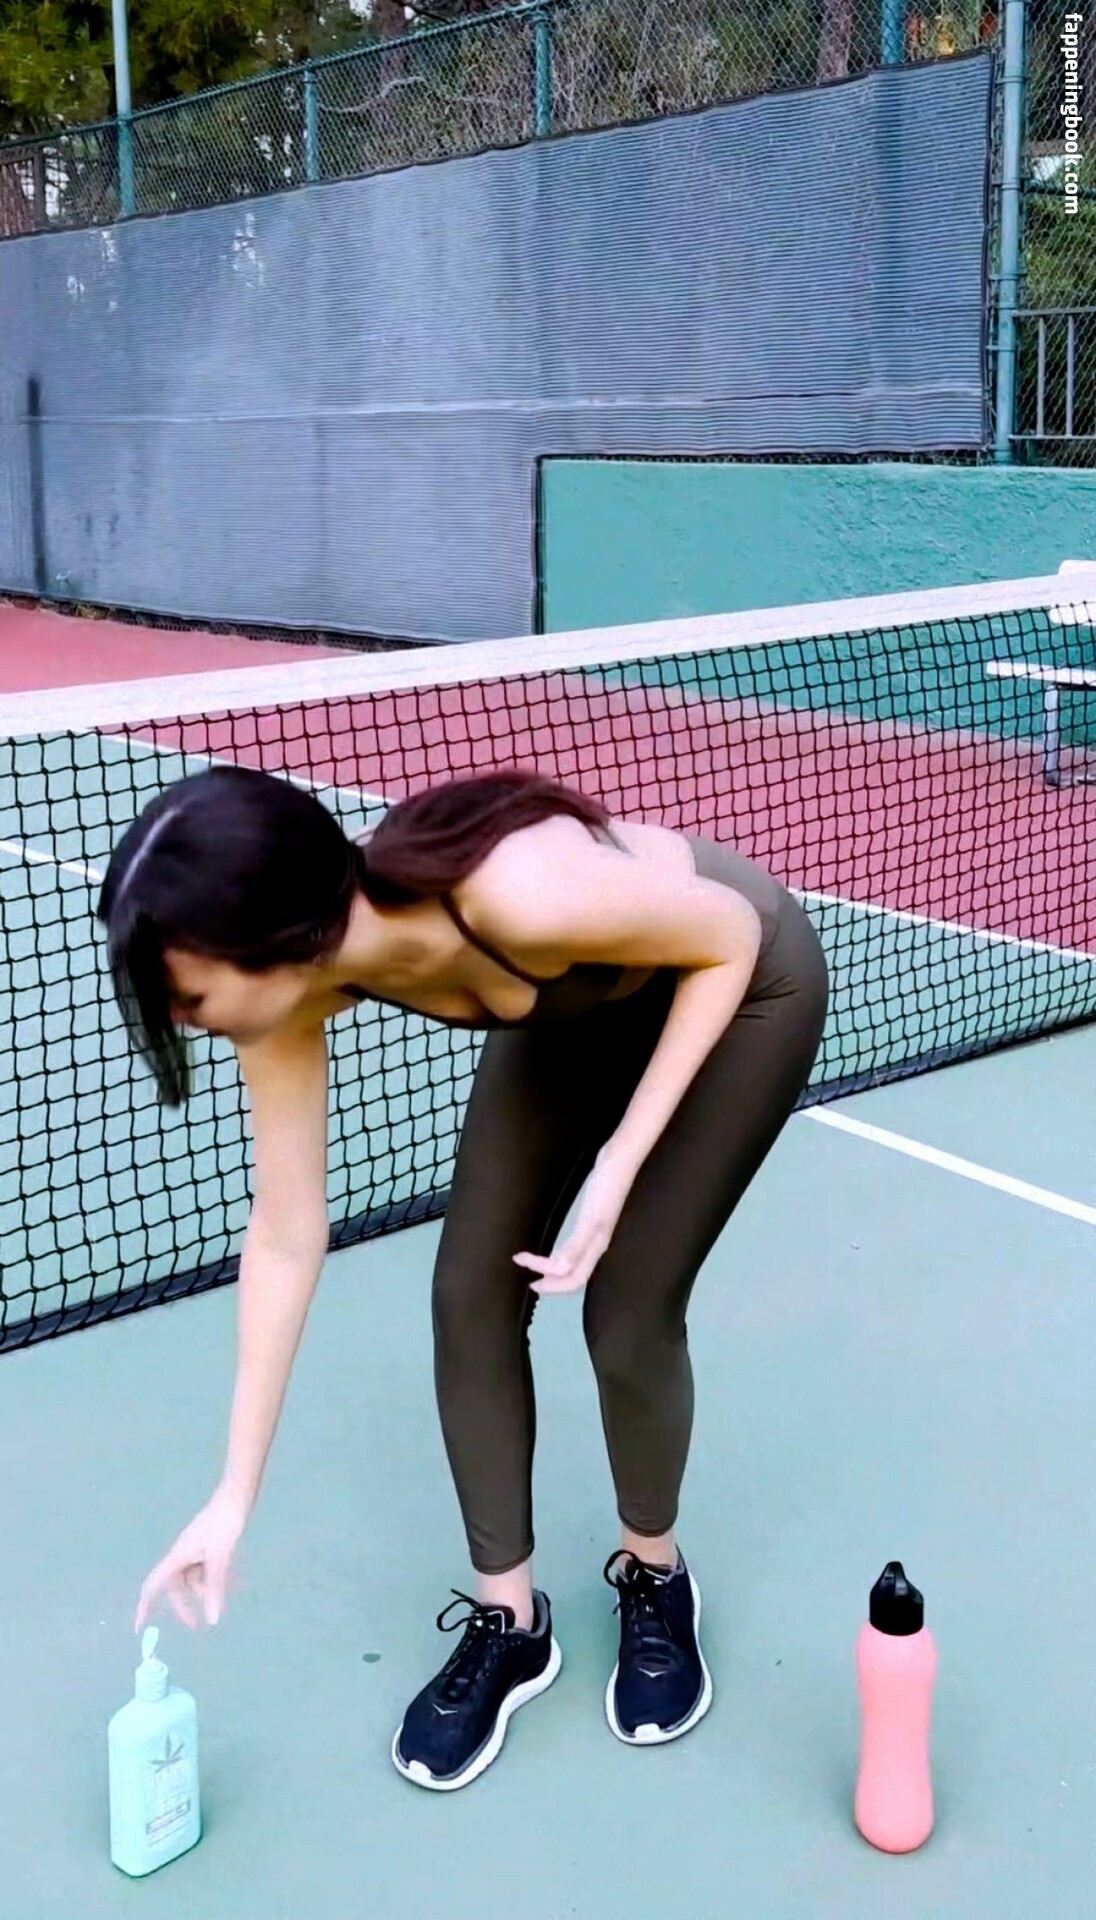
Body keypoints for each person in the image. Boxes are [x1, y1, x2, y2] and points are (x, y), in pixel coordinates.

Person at [99, 763, 828, 1792]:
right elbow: (286, 1234)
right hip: (574, 1003)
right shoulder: (283, 1003)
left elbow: (728, 936)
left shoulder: (516, 894)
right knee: (469, 1296)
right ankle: (510, 1622)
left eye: (188, 993)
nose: (181, 1020)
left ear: (274, 936)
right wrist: (231, 1496)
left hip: (740, 979)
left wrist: (619, 1163)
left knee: (627, 1308)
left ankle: (655, 1575)